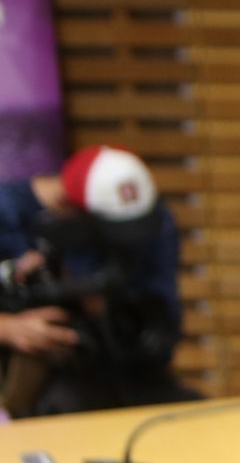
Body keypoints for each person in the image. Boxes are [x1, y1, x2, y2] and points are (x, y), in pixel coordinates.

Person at [0, 146, 187, 416]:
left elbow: (160, 324)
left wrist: (109, 309)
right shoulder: (9, 215)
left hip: (124, 373)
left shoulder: (151, 220)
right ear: (66, 207)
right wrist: (8, 328)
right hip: (36, 386)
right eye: (111, 230)